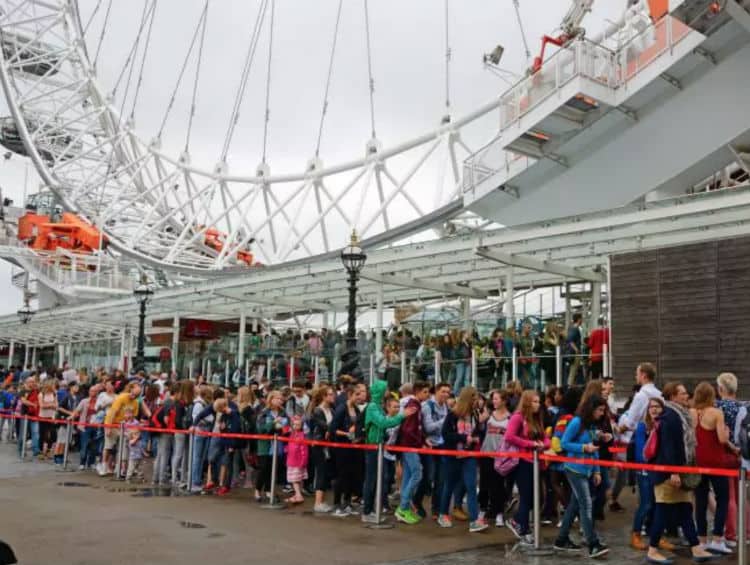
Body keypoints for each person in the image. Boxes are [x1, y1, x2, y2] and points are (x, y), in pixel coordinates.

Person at [646, 380, 713, 565]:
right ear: (673, 396)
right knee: (662, 510)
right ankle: (652, 550)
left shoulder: (678, 415)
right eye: (682, 393)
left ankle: (696, 548)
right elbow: (669, 447)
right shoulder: (670, 417)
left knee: (685, 510)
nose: (686, 396)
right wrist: (674, 472)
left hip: (677, 471)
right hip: (667, 474)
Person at [553, 394, 609, 558]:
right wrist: (584, 448)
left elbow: (594, 448)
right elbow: (564, 443)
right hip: (575, 469)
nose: (601, 414)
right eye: (599, 410)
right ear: (591, 409)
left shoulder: (591, 425)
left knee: (575, 505)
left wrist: (597, 470)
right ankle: (593, 543)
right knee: (586, 504)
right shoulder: (577, 422)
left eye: (602, 410)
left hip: (586, 470)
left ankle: (561, 540)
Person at [437, 386, 488, 533]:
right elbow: (445, 434)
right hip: (452, 455)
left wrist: (477, 437)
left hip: (468, 455)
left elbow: (479, 432)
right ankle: (443, 514)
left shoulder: (475, 415)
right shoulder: (452, 415)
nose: (476, 401)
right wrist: (464, 438)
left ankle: (474, 520)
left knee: (471, 486)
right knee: (449, 485)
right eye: (474, 398)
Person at [362, 380, 413, 524]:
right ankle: (367, 511)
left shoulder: (377, 406)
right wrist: (402, 416)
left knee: (376, 479)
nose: (387, 391)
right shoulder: (373, 407)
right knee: (371, 480)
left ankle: (372, 510)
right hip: (373, 447)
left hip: (378, 447)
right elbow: (383, 423)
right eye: (385, 389)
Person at [690, 381, 732, 554]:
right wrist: (727, 433)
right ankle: (717, 539)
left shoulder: (691, 412)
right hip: (716, 462)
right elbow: (722, 439)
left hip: (698, 461)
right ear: (711, 395)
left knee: (700, 501)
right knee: (723, 499)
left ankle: (702, 540)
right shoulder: (716, 413)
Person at [505, 389, 549, 543]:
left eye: (539, 402)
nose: (538, 405)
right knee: (527, 495)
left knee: (535, 496)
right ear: (527, 402)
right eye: (535, 402)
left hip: (536, 461)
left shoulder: (537, 418)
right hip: (522, 461)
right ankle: (519, 524)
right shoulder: (518, 418)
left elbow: (545, 437)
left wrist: (543, 444)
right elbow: (509, 436)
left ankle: (522, 525)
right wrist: (530, 444)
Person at [631, 397, 673, 552]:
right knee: (646, 503)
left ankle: (656, 536)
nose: (654, 409)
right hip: (645, 471)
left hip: (660, 471)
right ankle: (636, 534)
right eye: (651, 407)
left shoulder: (664, 425)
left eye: (657, 406)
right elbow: (641, 451)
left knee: (658, 505)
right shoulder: (643, 426)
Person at [395, 380, 430, 526]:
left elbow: (417, 428)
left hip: (409, 445)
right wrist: (419, 442)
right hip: (409, 446)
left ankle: (404, 508)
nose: (427, 395)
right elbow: (409, 429)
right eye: (425, 392)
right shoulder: (413, 405)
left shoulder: (415, 405)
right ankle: (403, 507)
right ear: (417, 391)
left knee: (409, 475)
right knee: (417, 473)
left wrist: (423, 440)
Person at [415, 382, 450, 520]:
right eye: (443, 391)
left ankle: (436, 509)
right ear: (436, 391)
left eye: (448, 392)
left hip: (441, 445)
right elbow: (428, 428)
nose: (445, 395)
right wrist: (445, 421)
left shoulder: (446, 406)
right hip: (428, 445)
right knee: (428, 477)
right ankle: (417, 501)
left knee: (441, 479)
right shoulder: (427, 406)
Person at [330, 383, 366, 517]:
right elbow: (333, 429)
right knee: (341, 476)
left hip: (353, 448)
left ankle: (347, 502)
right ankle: (337, 504)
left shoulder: (356, 409)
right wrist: (347, 433)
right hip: (341, 448)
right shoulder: (341, 409)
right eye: (357, 394)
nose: (359, 397)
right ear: (350, 395)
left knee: (351, 476)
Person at [716, 372, 743, 547]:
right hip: (742, 454)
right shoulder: (744, 406)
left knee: (728, 497)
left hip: (724, 453)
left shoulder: (717, 407)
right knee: (743, 495)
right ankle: (746, 531)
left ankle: (731, 534)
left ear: (720, 389)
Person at [479, 389, 511, 527]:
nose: (494, 401)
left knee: (498, 484)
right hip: (486, 452)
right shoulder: (489, 414)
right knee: (484, 483)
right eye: (493, 399)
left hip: (501, 455)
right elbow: (478, 425)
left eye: (497, 399)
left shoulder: (510, 417)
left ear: (504, 400)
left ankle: (498, 512)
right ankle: (482, 509)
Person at [616, 363, 661, 443]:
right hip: (657, 436)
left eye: (637, 374)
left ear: (643, 375)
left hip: (641, 438)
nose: (636, 377)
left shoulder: (641, 395)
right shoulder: (659, 394)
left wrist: (618, 430)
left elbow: (630, 423)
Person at [308, 385, 335, 513]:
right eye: (330, 394)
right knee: (321, 472)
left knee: (325, 473)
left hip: (328, 444)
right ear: (324, 396)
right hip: (319, 444)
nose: (333, 396)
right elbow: (325, 426)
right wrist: (332, 427)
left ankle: (321, 501)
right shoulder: (317, 410)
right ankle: (317, 503)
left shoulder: (332, 410)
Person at [286, 415, 309, 503]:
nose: (296, 426)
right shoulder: (292, 434)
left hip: (297, 461)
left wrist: (303, 461)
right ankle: (297, 494)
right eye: (294, 424)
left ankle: (299, 495)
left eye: (298, 425)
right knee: (297, 479)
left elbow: (304, 451)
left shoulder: (302, 435)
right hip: (291, 460)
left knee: (295, 479)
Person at [124, 407, 143, 482]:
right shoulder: (126, 424)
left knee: (139, 463)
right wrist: (131, 437)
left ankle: (141, 477)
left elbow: (138, 433)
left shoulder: (136, 422)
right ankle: (128, 477)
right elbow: (126, 434)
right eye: (127, 413)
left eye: (130, 413)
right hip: (132, 448)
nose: (128, 415)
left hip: (137, 446)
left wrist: (135, 438)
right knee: (132, 464)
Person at [566, 313, 583, 385]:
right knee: (573, 371)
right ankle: (569, 387)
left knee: (575, 372)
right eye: (581, 319)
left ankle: (572, 386)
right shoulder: (575, 329)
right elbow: (570, 341)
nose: (582, 320)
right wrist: (576, 350)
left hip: (573, 353)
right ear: (579, 319)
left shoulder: (571, 328)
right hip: (574, 354)